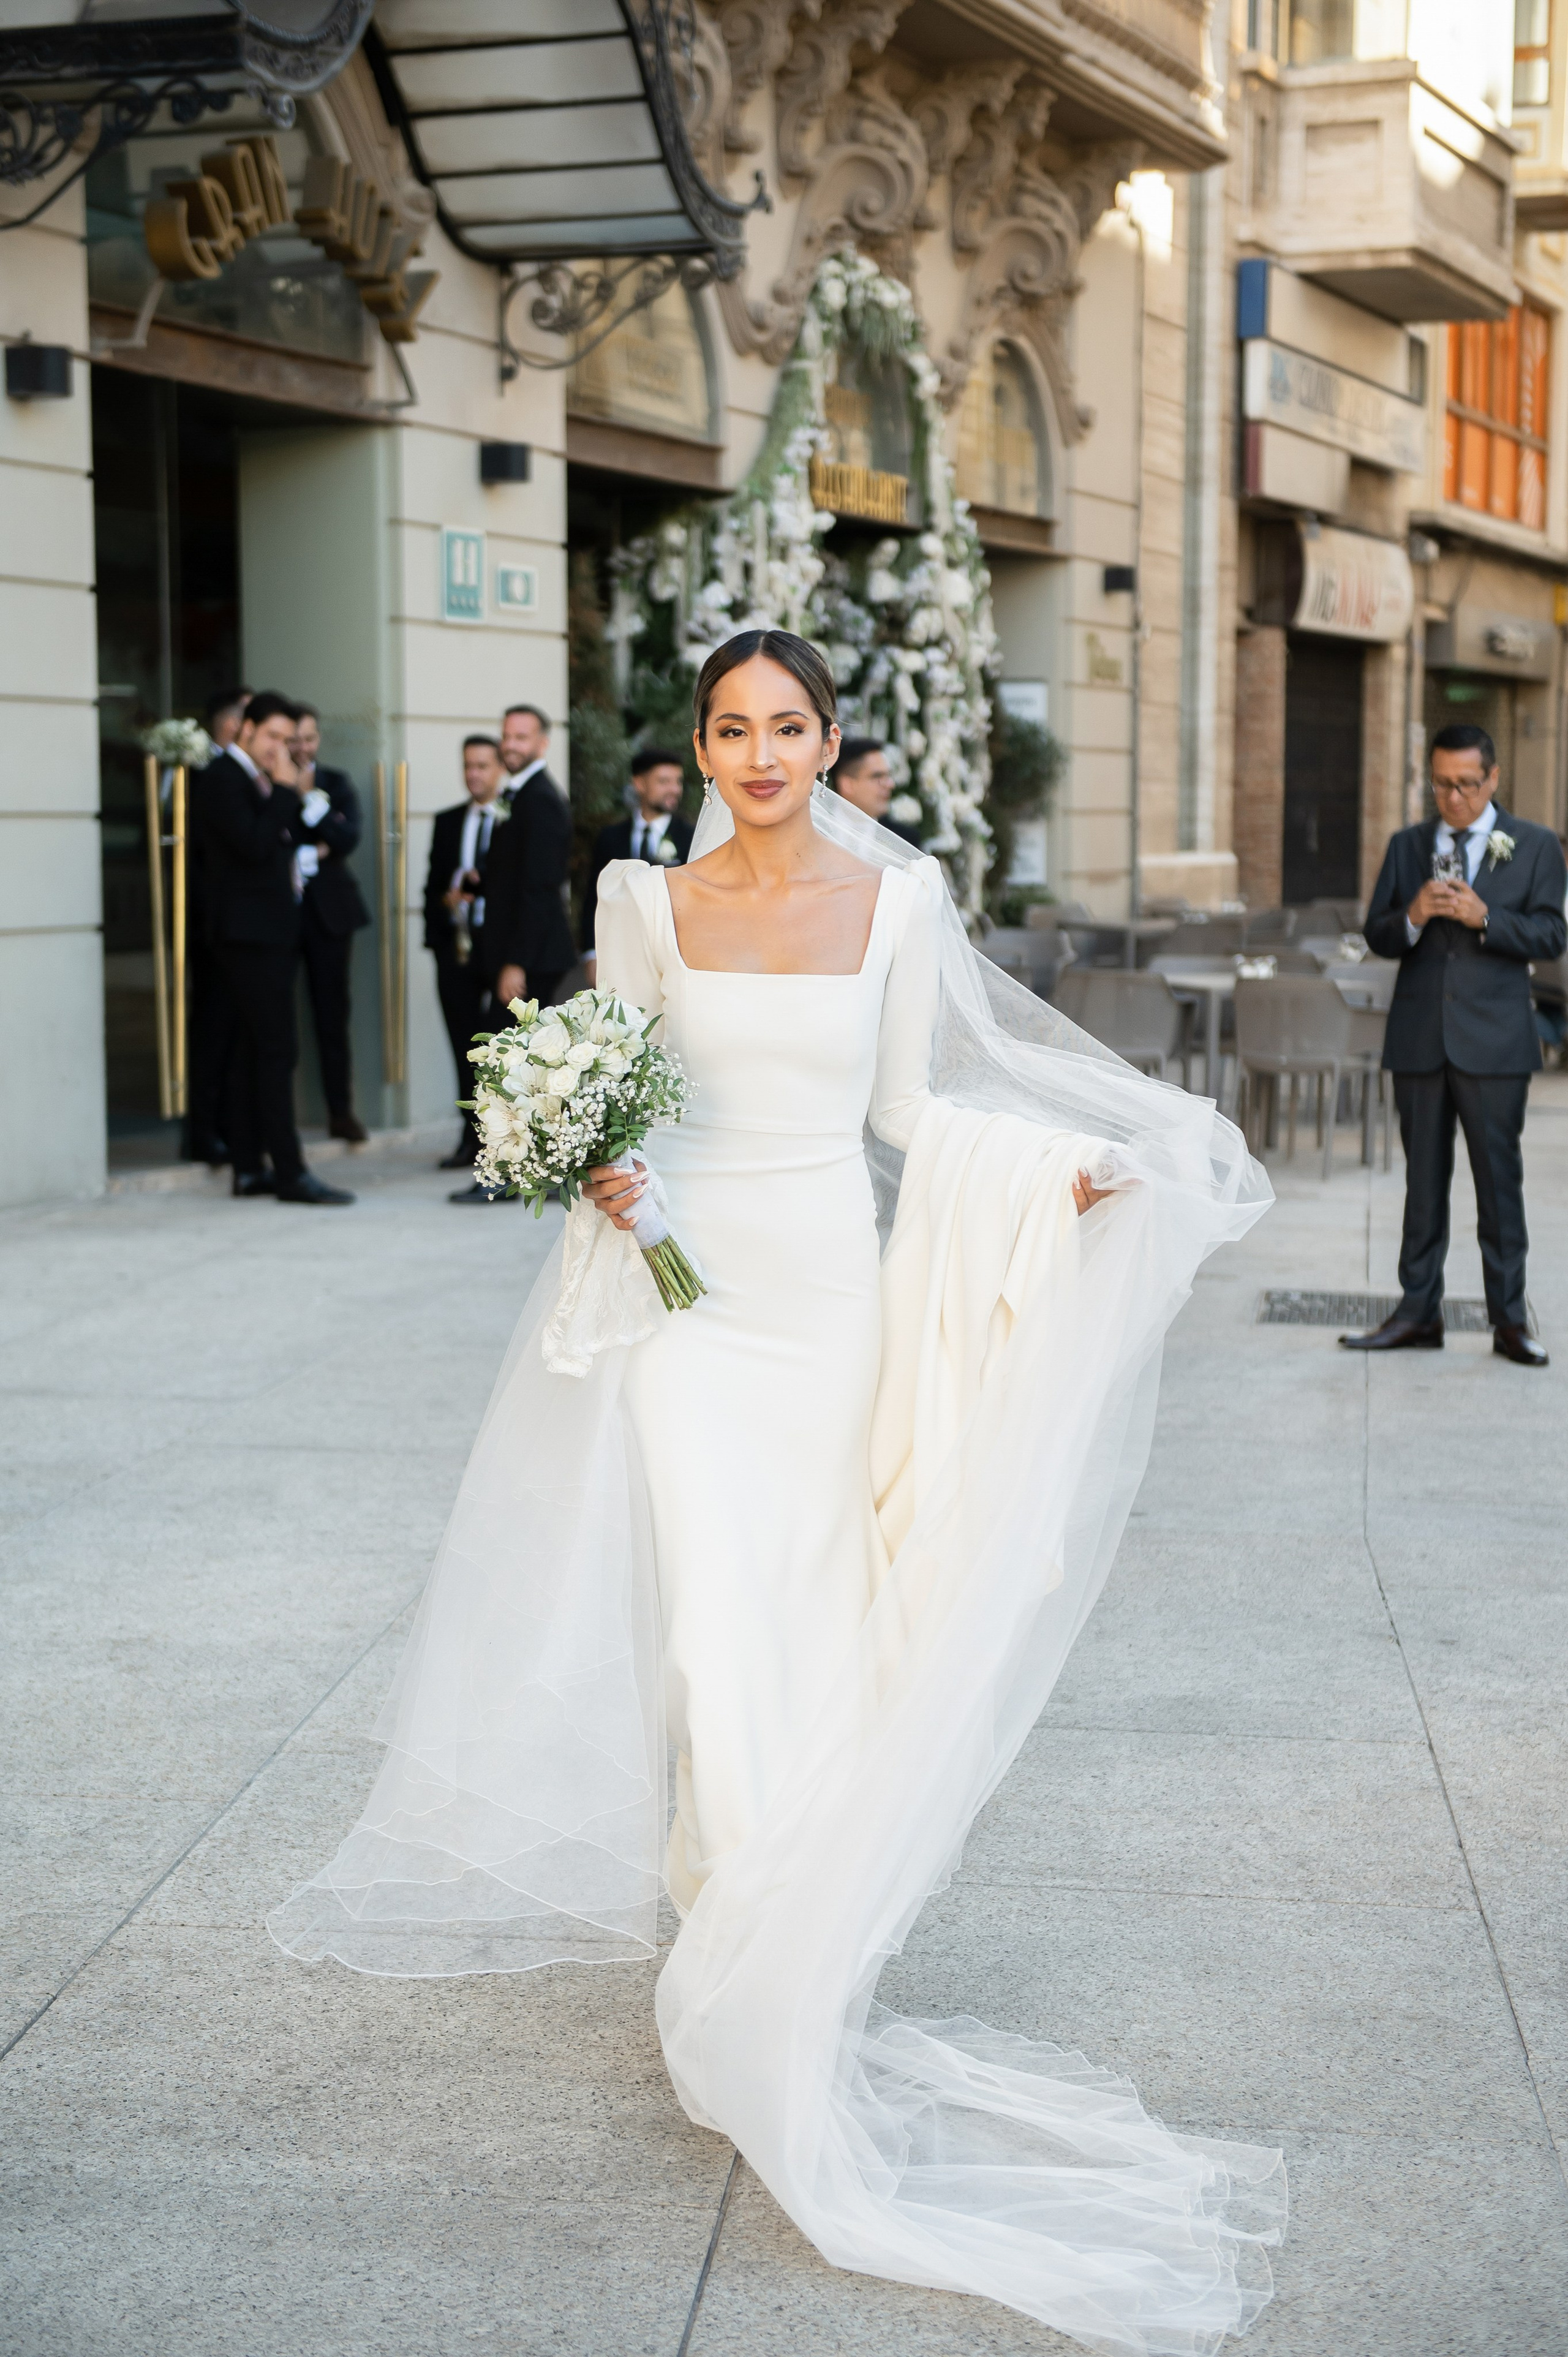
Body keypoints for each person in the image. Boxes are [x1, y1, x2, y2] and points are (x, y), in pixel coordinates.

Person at [272, 629, 1284, 2350]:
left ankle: (787, 1971)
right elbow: (621, 1080)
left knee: (807, 1612)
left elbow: (909, 1110)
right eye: (730, 729)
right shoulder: (640, 901)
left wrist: (1060, 1178)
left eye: (787, 727)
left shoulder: (897, 907)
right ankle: (743, 1952)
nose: (757, 753)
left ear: (828, 743)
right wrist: (588, 1155)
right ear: (700, 747)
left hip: (823, 1289)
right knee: (710, 1633)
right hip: (683, 1297)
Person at [1341, 723, 1566, 1365]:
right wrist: (1412, 914)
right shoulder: (1408, 844)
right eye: (1443, 783)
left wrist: (1485, 918)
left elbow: (1551, 936)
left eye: (1468, 784)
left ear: (1492, 779)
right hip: (1418, 1039)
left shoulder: (1534, 845)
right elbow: (1378, 933)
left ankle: (1509, 1321)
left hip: (1495, 1044)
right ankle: (1417, 1313)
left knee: (1499, 1186)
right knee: (1421, 1184)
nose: (1455, 797)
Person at [192, 690, 354, 1207]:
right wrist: (286, 790)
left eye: (288, 740)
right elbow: (256, 845)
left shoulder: (254, 781)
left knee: (250, 1052)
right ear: (245, 730)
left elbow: (289, 837)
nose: (280, 749)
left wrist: (292, 797)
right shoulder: (222, 779)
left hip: (261, 934)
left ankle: (248, 1167)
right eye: (272, 738)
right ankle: (289, 1171)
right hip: (247, 937)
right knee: (277, 1050)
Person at [423, 735, 508, 1201]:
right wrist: (449, 897)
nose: (474, 774)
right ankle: (468, 1137)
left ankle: (498, 1144)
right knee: (460, 1043)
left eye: (482, 766)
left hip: (495, 951)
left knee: (493, 1048)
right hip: (455, 948)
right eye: (468, 767)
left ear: (498, 769)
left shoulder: (511, 819)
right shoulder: (447, 822)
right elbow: (432, 885)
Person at [292, 706, 372, 1145]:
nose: (302, 748)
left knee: (332, 1016)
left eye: (309, 739)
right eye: (294, 740)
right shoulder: (273, 782)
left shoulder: (336, 783)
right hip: (283, 914)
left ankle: (341, 1112)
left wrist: (310, 801)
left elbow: (347, 839)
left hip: (330, 915)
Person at [182, 685, 253, 1164]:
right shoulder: (210, 775)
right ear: (234, 727)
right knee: (213, 1028)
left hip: (239, 926)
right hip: (213, 924)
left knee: (234, 1031)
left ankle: (229, 1126)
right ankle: (203, 1131)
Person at [483, 703, 576, 1016]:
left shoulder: (542, 800)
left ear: (542, 743)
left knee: (512, 1057)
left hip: (534, 958)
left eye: (521, 737)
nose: (509, 745)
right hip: (518, 950)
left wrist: (517, 962)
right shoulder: (518, 794)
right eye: (506, 736)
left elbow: (541, 886)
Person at [579, 745, 695, 978]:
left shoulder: (692, 838)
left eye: (678, 781)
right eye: (664, 782)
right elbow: (594, 897)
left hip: (675, 957)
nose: (674, 790)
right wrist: (591, 953)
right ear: (639, 784)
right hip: (619, 955)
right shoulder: (610, 837)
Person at [834, 734, 922, 845]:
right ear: (848, 784)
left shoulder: (904, 839)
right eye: (877, 777)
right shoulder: (816, 828)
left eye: (888, 776)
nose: (890, 785)